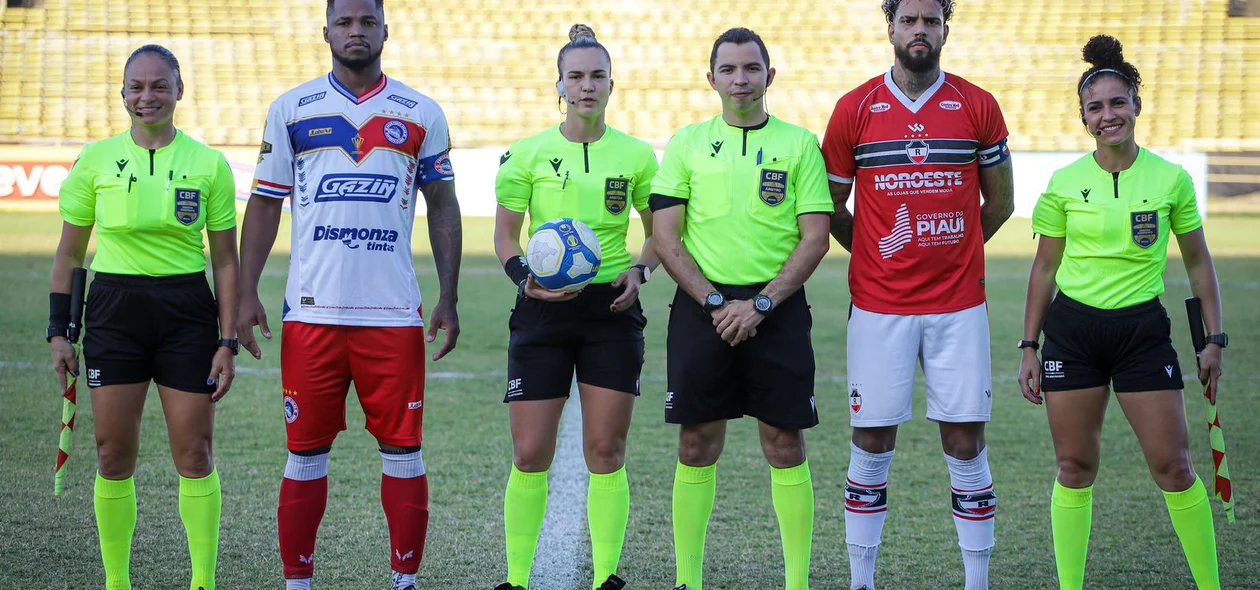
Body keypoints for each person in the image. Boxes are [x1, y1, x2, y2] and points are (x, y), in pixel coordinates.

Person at [235, 1, 463, 588]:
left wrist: (449, 296)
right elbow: (264, 203)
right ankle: (297, 582)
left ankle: (403, 582)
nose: (355, 32)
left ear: (385, 30)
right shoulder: (291, 109)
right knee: (305, 456)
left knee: (404, 453)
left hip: (392, 316)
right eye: (345, 22)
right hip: (312, 313)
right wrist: (245, 291)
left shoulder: (421, 112)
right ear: (327, 31)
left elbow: (442, 204)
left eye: (367, 22)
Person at [1017, 35, 1225, 590]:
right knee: (1074, 470)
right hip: (1073, 335)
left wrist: (1215, 339)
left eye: (1117, 103)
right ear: (1083, 117)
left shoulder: (1170, 180)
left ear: (1137, 103)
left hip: (1142, 335)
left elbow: (1200, 265)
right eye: (1095, 107)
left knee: (1175, 469)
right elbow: (1042, 270)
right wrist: (1028, 346)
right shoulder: (1062, 184)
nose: (1107, 115)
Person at [820, 0, 1015, 588]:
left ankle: (976, 582)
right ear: (891, 29)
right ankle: (862, 581)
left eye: (931, 21)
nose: (920, 31)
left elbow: (1000, 202)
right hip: (879, 307)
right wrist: (879, 253)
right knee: (872, 438)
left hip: (959, 306)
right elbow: (830, 208)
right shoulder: (854, 109)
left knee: (964, 441)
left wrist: (954, 254)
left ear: (945, 29)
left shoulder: (977, 104)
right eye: (910, 21)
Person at [48, 44, 239, 590]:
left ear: (180, 91)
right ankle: (117, 582)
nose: (147, 95)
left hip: (186, 314)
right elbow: (68, 255)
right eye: (137, 86)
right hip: (113, 313)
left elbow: (224, 260)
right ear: (123, 93)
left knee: (195, 451)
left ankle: (202, 581)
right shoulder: (95, 160)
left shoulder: (209, 163)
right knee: (112, 453)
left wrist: (226, 338)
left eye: (160, 85)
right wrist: (59, 331)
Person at [651, 27, 832, 590]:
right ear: (711, 79)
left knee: (784, 441)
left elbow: (815, 238)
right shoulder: (685, 143)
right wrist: (714, 302)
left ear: (769, 75)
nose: (740, 79)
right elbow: (665, 236)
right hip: (701, 307)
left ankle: (796, 581)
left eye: (751, 68)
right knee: (695, 442)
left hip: (774, 309)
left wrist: (758, 304)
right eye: (728, 69)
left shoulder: (800, 144)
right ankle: (689, 579)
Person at [491, 24, 660, 590]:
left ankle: (607, 577)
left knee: (606, 449)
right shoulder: (528, 153)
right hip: (542, 311)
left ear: (613, 83)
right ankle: (516, 579)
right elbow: (506, 238)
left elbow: (662, 231)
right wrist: (524, 282)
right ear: (559, 85)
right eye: (576, 77)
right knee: (530, 451)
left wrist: (640, 269)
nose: (587, 86)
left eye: (597, 76)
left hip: (610, 309)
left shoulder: (636, 155)